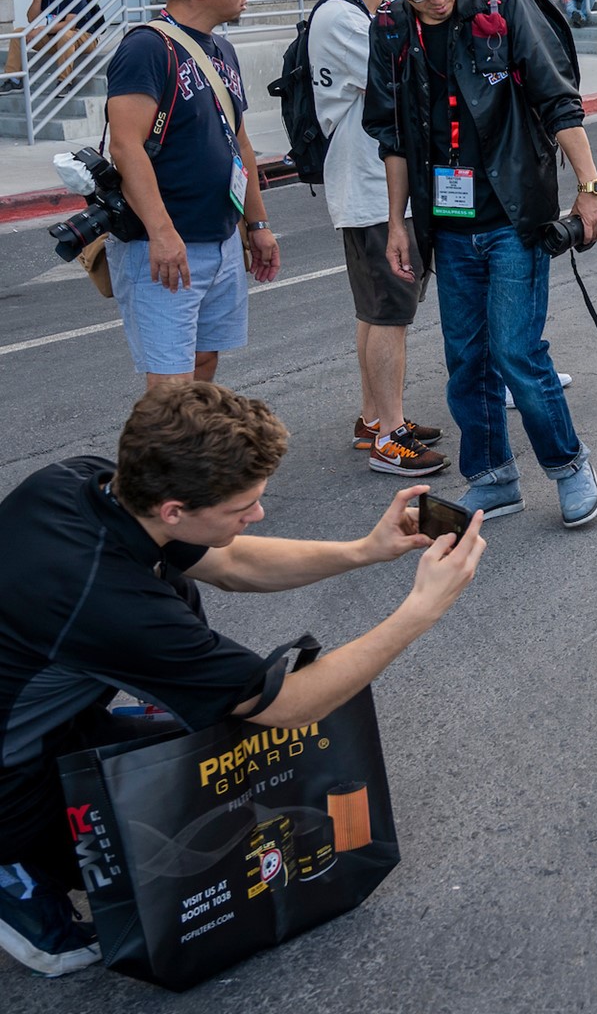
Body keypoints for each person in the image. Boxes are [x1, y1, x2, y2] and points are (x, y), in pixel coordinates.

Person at [0, 382, 484, 977]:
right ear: (175, 509)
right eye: (241, 507)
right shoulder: (107, 602)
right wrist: (419, 612)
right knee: (179, 848)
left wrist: (364, 550)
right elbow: (288, 704)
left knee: (203, 761)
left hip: (42, 711)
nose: (257, 514)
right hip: (10, 772)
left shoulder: (82, 480)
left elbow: (228, 561)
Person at [366, 0, 597, 528]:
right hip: (446, 224)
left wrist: (591, 189)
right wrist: (398, 224)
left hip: (512, 213)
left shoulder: (504, 3)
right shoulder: (392, 30)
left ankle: (568, 465)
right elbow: (393, 135)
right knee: (465, 358)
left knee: (517, 354)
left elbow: (558, 101)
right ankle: (494, 478)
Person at [104, 0, 281, 391]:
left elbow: (239, 142)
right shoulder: (146, 49)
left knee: (202, 369)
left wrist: (257, 226)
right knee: (171, 387)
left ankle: (190, 465)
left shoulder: (221, 49)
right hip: (164, 250)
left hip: (221, 243)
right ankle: (158, 467)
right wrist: (162, 234)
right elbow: (125, 146)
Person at [309, 0, 446, 477]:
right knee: (390, 313)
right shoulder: (345, 19)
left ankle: (375, 418)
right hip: (370, 189)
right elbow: (403, 85)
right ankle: (391, 436)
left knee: (375, 312)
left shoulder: (353, 11)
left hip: (370, 187)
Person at [461, 0, 579, 413]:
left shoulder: (504, 8)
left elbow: (554, 96)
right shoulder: (474, 12)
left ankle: (517, 373)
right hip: (497, 194)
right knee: (506, 337)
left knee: (506, 328)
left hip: (492, 193)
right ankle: (517, 379)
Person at [3, 0, 106, 82]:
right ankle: (13, 79)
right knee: (19, 33)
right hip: (55, 39)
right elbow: (31, 19)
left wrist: (42, 30)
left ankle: (64, 82)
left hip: (83, 37)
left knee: (65, 35)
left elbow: (70, 24)